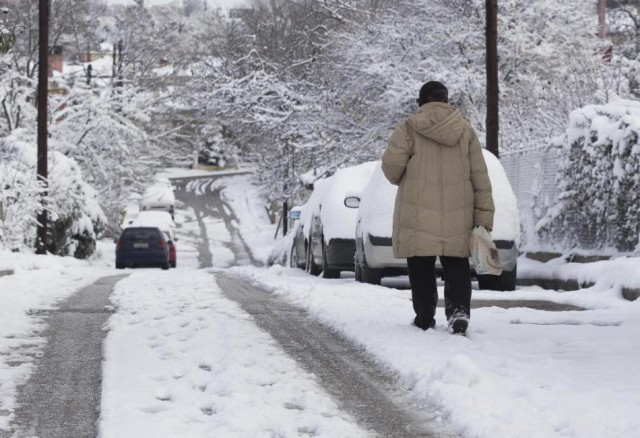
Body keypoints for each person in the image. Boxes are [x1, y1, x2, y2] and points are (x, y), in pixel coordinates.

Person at [381, 81, 494, 334]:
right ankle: (458, 313)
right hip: (458, 212)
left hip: (418, 211)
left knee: (420, 263)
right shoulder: (465, 130)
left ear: (420, 101)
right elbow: (480, 178)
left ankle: (424, 316)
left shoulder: (408, 129)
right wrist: (484, 217)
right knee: (456, 262)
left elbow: (391, 170)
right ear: (446, 101)